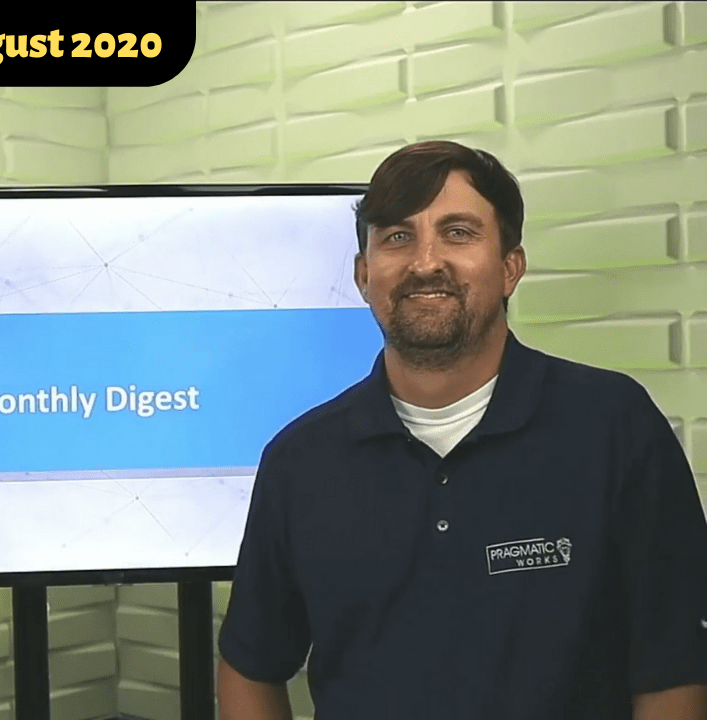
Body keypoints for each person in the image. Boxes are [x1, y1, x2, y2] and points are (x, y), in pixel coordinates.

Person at [216, 140, 707, 719]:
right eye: (397, 237)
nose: (425, 262)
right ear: (364, 275)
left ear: (509, 268)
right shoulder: (301, 461)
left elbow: (675, 666)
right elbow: (250, 667)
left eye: (457, 233)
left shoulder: (615, 427)